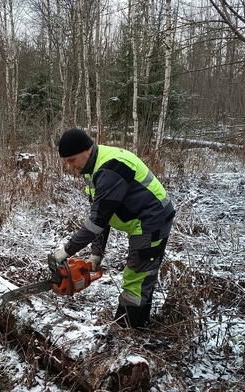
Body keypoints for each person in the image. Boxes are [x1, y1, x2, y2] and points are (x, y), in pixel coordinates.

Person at [53, 128, 175, 329]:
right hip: (138, 219)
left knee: (137, 277)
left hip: (151, 219)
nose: (70, 166)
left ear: (87, 150)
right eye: (66, 162)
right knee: (140, 274)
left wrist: (66, 251)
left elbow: (98, 222)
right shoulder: (93, 169)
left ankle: (128, 330)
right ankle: (138, 322)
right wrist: (96, 255)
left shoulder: (112, 168)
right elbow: (102, 214)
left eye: (72, 160)